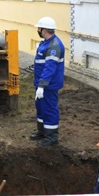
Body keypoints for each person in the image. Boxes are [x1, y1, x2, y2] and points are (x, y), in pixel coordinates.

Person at [29, 16, 65, 147]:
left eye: (39, 28)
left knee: (49, 109)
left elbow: (50, 68)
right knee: (41, 108)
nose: (37, 30)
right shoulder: (45, 43)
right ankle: (42, 131)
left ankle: (51, 137)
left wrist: (42, 86)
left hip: (48, 86)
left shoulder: (54, 46)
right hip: (41, 84)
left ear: (44, 29)